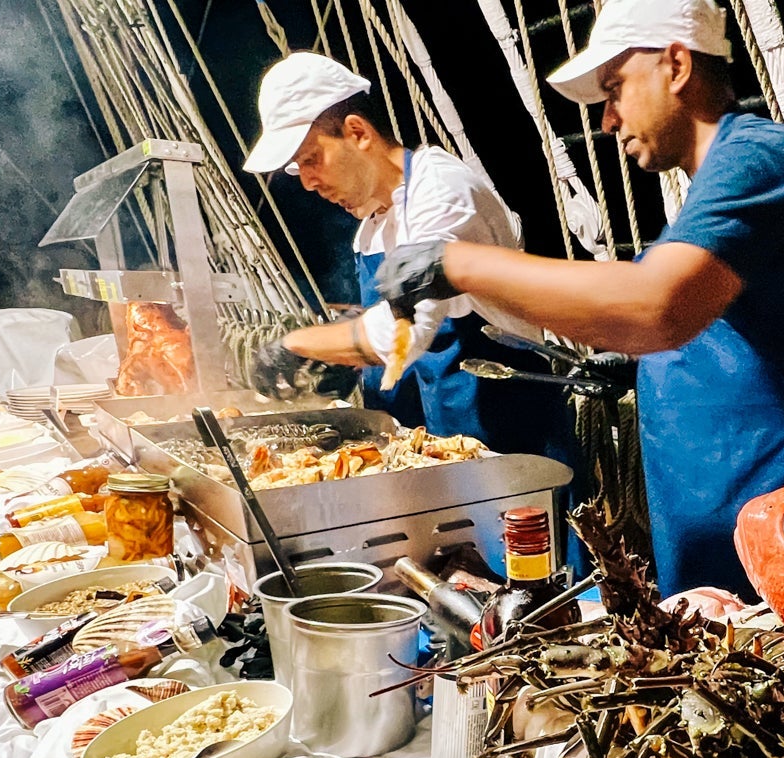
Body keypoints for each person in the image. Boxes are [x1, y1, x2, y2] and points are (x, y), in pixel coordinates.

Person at [376, 0, 784, 598]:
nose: (608, 118)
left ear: (678, 66)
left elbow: (653, 308)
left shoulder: (762, 159)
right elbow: (706, 317)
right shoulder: (712, 186)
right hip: (717, 564)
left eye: (615, 87)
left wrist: (459, 262)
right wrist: (642, 364)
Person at [240, 51, 575, 460]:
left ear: (358, 132)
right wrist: (345, 365)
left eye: (311, 159)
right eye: (299, 168)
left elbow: (400, 333)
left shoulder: (441, 191)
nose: (309, 182)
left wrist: (297, 344)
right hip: (432, 452)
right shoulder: (371, 228)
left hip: (508, 446)